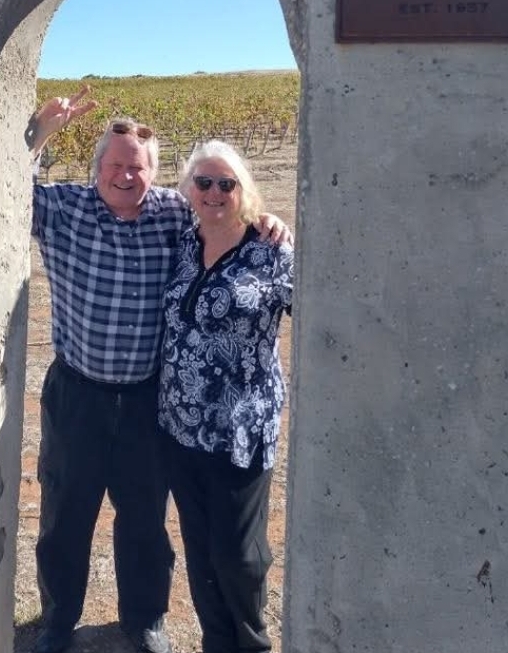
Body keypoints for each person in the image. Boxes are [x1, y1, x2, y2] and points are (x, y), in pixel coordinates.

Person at [25, 87, 291, 653]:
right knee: (65, 514)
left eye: (138, 168)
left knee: (146, 520)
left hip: (151, 399)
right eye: (116, 165)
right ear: (98, 166)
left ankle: (144, 620)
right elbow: (0, 193)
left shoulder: (174, 212)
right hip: (78, 393)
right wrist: (41, 136)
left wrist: (267, 220)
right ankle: (57, 621)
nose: (126, 176)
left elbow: (226, 210)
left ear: (155, 174)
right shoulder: (64, 208)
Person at [157, 140, 295, 653]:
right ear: (189, 188)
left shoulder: (271, 249)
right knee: (200, 548)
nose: (214, 192)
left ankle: (252, 642)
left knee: (238, 552)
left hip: (241, 429)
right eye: (204, 182)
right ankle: (216, 640)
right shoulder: (182, 242)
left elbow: (318, 306)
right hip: (179, 425)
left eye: (226, 184)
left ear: (243, 190)